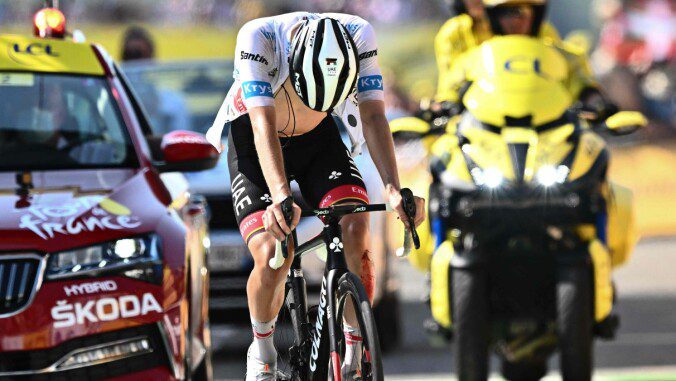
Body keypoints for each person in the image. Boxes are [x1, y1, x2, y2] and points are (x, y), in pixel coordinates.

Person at [206, 13, 425, 381]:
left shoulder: (360, 34)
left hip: (318, 139)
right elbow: (262, 126)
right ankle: (262, 348)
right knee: (273, 253)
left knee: (355, 224)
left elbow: (372, 115)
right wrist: (279, 196)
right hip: (257, 139)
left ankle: (354, 345)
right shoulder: (258, 39)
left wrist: (392, 190)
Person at [435, 0, 561, 103]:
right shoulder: (454, 32)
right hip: (479, 110)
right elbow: (451, 82)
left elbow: (562, 70)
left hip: (535, 103)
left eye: (517, 13)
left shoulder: (538, 28)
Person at [120, 26, 190, 133]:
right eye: (129, 55)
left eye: (139, 54)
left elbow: (182, 137)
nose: (136, 62)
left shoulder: (172, 101)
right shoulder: (114, 99)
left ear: (152, 58)